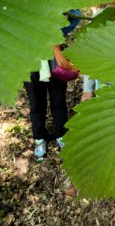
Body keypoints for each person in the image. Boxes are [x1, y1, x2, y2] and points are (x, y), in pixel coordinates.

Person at [25, 11, 80, 162]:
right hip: (30, 59)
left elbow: (75, 14)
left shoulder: (56, 3)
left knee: (58, 100)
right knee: (36, 103)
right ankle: (39, 138)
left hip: (54, 58)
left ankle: (61, 133)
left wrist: (56, 35)